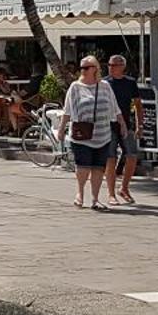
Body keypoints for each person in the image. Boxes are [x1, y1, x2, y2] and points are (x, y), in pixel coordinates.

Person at [56, 55, 121, 209]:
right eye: (81, 68)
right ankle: (80, 193)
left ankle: (95, 198)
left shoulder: (105, 86)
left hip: (103, 134)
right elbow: (68, 110)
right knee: (83, 166)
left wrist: (122, 123)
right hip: (82, 134)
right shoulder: (75, 87)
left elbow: (114, 106)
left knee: (98, 167)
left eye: (86, 68)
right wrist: (61, 129)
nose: (83, 71)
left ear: (95, 69)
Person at [104, 53, 141, 204]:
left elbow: (138, 104)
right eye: (109, 65)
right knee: (110, 158)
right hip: (109, 125)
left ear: (122, 67)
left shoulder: (130, 83)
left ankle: (124, 188)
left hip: (127, 123)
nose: (111, 68)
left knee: (132, 156)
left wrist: (140, 125)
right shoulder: (104, 83)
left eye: (114, 65)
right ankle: (111, 193)